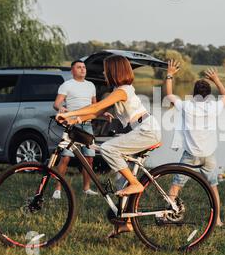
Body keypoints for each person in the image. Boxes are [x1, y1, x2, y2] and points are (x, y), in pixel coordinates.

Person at [55, 55, 161, 237]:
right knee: (121, 180)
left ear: (114, 71)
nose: (104, 72)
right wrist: (75, 119)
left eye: (106, 69)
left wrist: (70, 113)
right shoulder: (117, 90)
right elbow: (96, 111)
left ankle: (136, 184)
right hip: (143, 129)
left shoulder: (123, 90)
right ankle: (124, 224)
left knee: (108, 148)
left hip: (146, 131)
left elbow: (96, 106)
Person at [165, 60, 225, 227]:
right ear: (208, 95)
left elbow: (169, 95)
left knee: (176, 185)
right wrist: (216, 79)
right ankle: (217, 220)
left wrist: (170, 74)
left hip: (190, 155)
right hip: (209, 155)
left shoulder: (186, 106)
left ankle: (167, 215)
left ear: (194, 94)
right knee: (213, 186)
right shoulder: (214, 107)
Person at [52, 60, 99, 199]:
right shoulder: (67, 85)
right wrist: (60, 107)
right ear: (72, 70)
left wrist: (103, 112)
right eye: (79, 67)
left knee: (89, 158)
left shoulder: (91, 85)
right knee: (65, 157)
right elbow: (56, 103)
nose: (83, 69)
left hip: (87, 125)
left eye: (84, 67)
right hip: (72, 126)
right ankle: (58, 189)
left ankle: (86, 188)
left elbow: (94, 106)